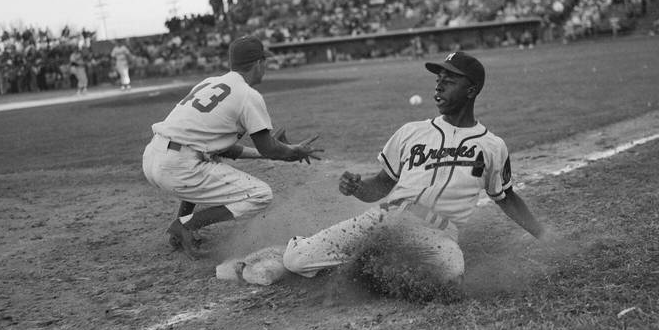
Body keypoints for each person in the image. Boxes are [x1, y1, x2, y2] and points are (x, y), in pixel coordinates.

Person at [277, 51, 546, 285]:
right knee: (296, 260)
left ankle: (367, 265)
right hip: (387, 217)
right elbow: (382, 185)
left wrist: (543, 236)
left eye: (449, 81)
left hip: (438, 233)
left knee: (450, 276)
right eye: (438, 80)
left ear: (471, 91)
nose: (439, 86)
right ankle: (330, 253)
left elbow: (506, 197)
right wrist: (358, 187)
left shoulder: (491, 146)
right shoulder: (411, 132)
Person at [141, 35, 324, 259]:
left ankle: (183, 227)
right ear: (258, 64)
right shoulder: (248, 95)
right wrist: (292, 152)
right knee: (260, 195)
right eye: (264, 62)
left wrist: (275, 152)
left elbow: (221, 149)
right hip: (179, 167)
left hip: (153, 156)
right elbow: (269, 149)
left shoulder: (208, 83)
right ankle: (185, 225)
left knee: (207, 160)